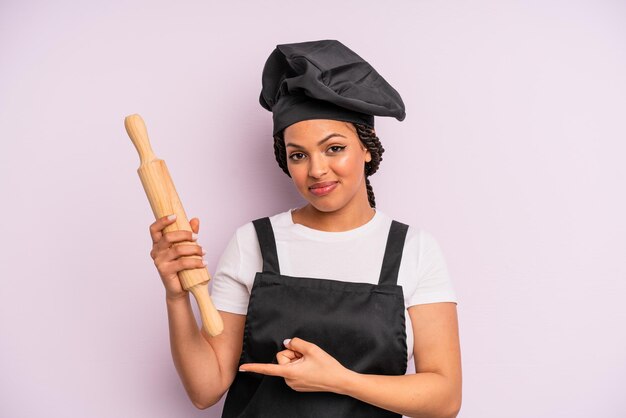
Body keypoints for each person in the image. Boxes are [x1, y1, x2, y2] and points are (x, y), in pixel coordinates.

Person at [148, 39, 462, 418]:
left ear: (366, 147)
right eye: (298, 154)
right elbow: (205, 389)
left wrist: (337, 379)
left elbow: (445, 399)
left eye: (333, 148)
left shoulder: (413, 249)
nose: (316, 170)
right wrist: (177, 297)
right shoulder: (254, 242)